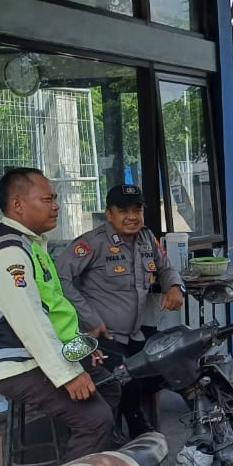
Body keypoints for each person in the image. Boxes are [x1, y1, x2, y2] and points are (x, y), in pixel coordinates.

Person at [0, 167, 121, 462]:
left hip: (35, 355)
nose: (56, 206)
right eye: (47, 199)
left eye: (54, 199)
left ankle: (94, 463)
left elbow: (52, 310)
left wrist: (79, 347)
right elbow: (29, 322)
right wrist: (68, 374)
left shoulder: (30, 245)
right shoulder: (8, 253)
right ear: (18, 205)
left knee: (109, 386)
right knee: (94, 419)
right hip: (14, 362)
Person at [58, 184, 185, 439]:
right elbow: (60, 279)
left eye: (137, 210)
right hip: (100, 337)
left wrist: (174, 286)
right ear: (109, 214)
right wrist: (89, 319)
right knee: (123, 373)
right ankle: (131, 426)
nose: (132, 217)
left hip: (133, 334)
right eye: (123, 211)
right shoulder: (92, 243)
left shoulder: (146, 238)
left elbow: (165, 267)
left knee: (174, 356)